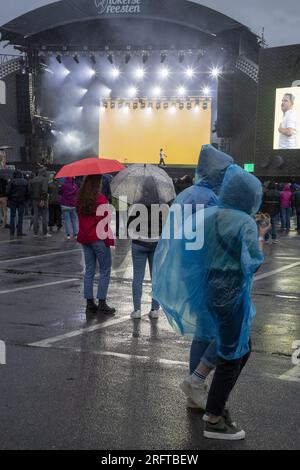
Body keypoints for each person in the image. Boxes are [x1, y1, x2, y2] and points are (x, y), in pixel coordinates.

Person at [153, 164, 268, 440]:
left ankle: (199, 382)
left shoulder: (209, 216)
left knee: (242, 346)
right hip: (232, 293)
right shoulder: (244, 223)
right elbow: (253, 264)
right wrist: (261, 235)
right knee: (232, 354)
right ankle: (214, 418)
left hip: (211, 290)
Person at [153, 144, 234, 410]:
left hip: (189, 269)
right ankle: (196, 383)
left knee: (203, 331)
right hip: (206, 271)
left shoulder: (187, 195)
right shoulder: (210, 199)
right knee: (218, 330)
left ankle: (194, 390)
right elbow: (214, 237)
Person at [76, 174, 116, 317]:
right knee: (105, 269)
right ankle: (102, 302)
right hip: (98, 238)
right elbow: (105, 219)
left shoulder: (80, 198)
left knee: (89, 270)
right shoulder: (100, 199)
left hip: (85, 238)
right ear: (97, 183)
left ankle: (89, 303)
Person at [29, 168, 51, 238]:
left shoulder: (33, 180)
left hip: (34, 200)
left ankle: (35, 233)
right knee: (44, 216)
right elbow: (44, 190)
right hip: (42, 199)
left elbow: (30, 190)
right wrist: (42, 199)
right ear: (44, 173)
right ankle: (45, 233)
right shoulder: (44, 179)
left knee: (36, 216)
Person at [6, 170, 29, 237]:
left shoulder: (12, 181)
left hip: (13, 200)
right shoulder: (25, 182)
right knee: (20, 217)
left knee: (12, 216)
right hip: (21, 201)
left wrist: (10, 198)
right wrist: (25, 199)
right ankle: (19, 232)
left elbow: (7, 192)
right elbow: (28, 192)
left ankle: (12, 232)